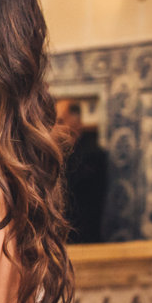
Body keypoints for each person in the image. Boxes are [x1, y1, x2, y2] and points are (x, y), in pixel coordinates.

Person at [55, 99, 108, 243]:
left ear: (76, 121)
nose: (56, 128)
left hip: (83, 238)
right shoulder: (63, 154)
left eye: (60, 122)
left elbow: (68, 190)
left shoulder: (92, 154)